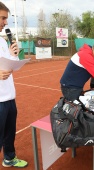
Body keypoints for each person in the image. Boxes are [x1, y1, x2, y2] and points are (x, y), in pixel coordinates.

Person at [0, 2, 28, 168]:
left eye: (6, 18)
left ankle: (9, 158)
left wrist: (14, 56)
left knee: (9, 133)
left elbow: (8, 66)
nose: (5, 22)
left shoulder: (3, 41)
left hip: (9, 97)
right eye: (2, 18)